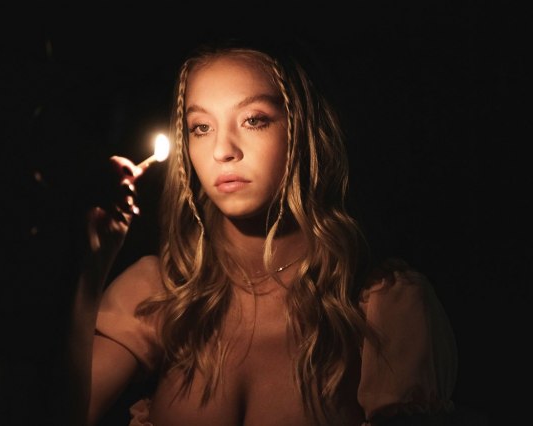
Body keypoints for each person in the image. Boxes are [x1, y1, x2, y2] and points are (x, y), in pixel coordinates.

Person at [71, 37, 458, 426]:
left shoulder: (383, 308)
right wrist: (91, 265)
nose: (223, 150)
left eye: (253, 120)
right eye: (201, 127)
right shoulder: (161, 291)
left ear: (302, 130)